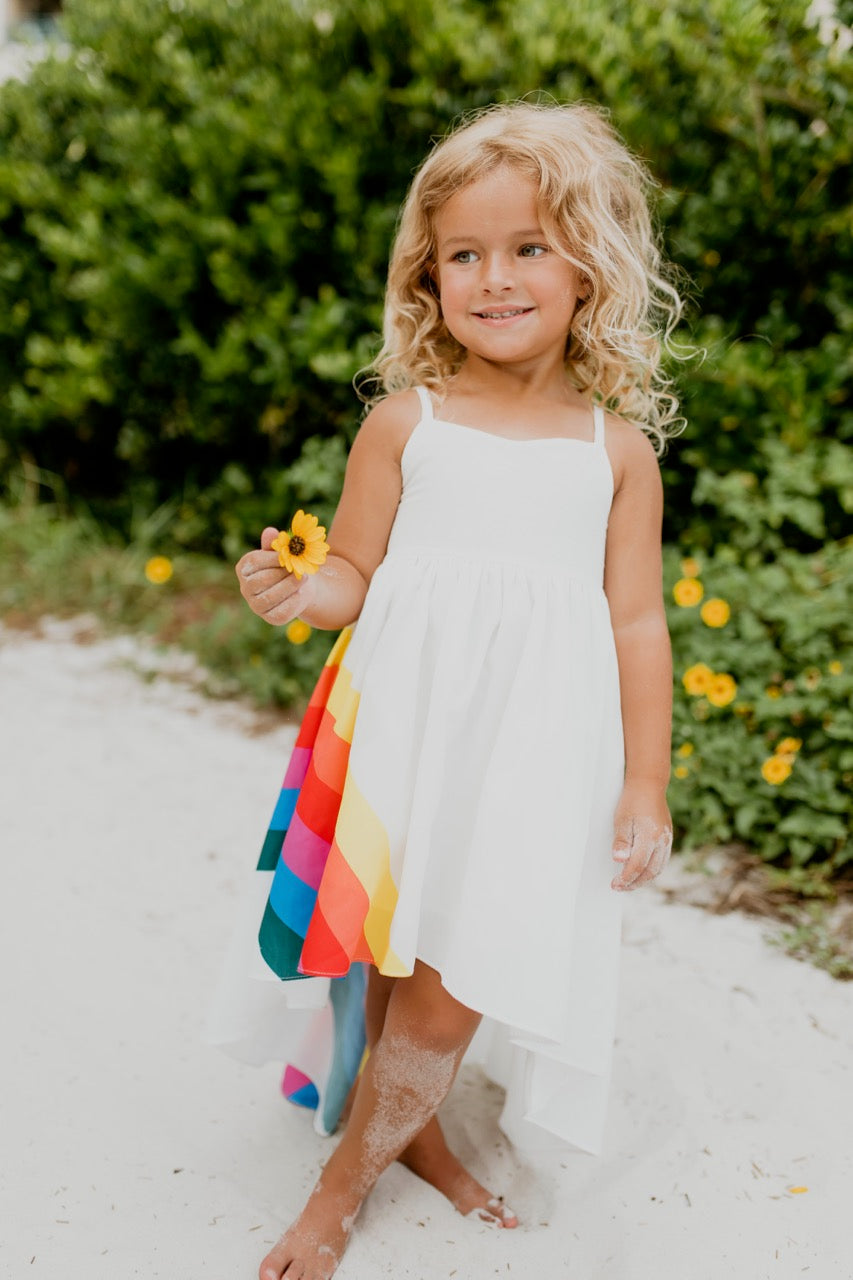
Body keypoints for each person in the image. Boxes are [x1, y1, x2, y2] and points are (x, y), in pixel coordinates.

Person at [235, 99, 682, 1280]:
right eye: (463, 254)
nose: (494, 277)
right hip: (405, 738)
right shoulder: (405, 424)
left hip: (537, 753)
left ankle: (340, 1189)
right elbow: (350, 574)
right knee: (398, 943)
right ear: (426, 276)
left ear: (587, 264)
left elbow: (635, 620)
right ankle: (412, 1128)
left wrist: (644, 778)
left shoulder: (612, 452)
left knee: (457, 978)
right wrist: (297, 587)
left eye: (527, 246)